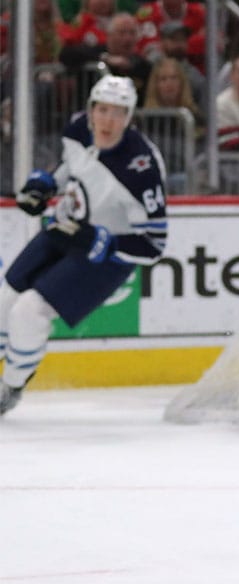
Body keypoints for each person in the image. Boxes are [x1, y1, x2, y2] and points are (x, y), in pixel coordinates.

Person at [1, 76, 167, 416]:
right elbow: (71, 166)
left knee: (28, 311)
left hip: (105, 258)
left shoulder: (142, 169)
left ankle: (11, 387)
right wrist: (46, 183)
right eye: (102, 110)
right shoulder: (77, 127)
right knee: (4, 298)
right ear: (90, 110)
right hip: (63, 229)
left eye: (118, 113)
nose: (107, 121)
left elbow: (154, 244)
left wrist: (104, 241)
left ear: (130, 117)